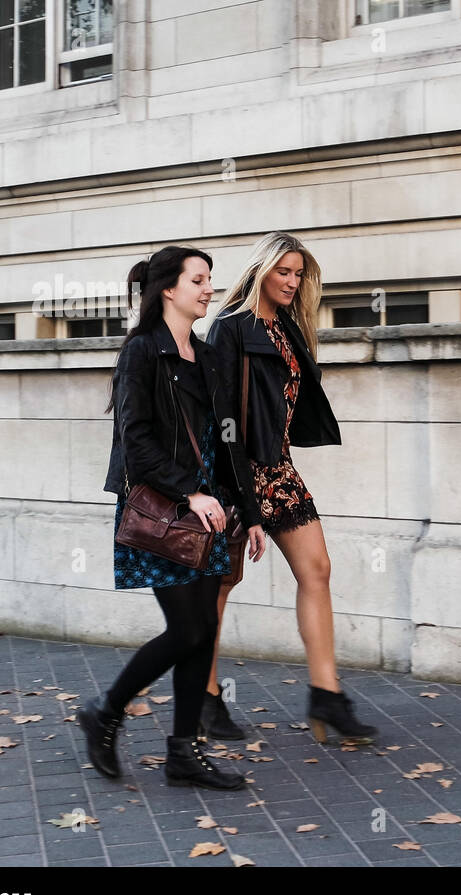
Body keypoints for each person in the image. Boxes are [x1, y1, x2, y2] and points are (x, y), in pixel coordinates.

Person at [79, 245, 267, 790]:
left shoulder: (206, 356)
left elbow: (227, 442)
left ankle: (184, 753)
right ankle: (106, 712)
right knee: (187, 629)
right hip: (166, 510)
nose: (209, 289)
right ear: (169, 289)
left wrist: (248, 513)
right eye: (199, 280)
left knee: (204, 629)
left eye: (210, 280)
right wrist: (189, 493)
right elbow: (135, 441)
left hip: (210, 512)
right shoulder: (143, 351)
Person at [201, 231, 377, 745]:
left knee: (317, 569)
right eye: (284, 271)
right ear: (262, 270)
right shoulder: (230, 328)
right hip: (237, 472)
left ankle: (327, 695)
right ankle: (206, 698)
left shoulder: (288, 329)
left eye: (299, 274)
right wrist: (236, 490)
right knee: (221, 584)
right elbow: (222, 415)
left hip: (277, 467)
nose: (292, 281)